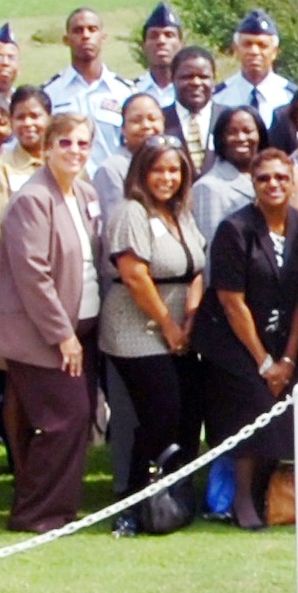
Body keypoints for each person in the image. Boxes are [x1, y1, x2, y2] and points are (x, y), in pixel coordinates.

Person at [196, 148, 298, 531]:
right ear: (253, 182)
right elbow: (232, 303)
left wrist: (289, 358)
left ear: (293, 180)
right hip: (235, 342)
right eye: (264, 178)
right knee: (253, 405)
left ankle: (276, 494)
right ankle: (242, 497)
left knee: (290, 406)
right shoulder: (235, 230)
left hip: (286, 339)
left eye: (282, 177)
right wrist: (264, 362)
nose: (273, 184)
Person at [0, 112, 103, 532]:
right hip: (42, 333)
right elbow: (32, 274)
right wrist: (63, 336)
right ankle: (34, 513)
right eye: (65, 143)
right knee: (64, 418)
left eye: (82, 144)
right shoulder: (31, 199)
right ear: (46, 148)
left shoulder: (85, 193)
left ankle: (60, 509)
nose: (74, 151)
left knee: (77, 419)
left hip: (85, 326)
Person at [101, 137, 205, 514]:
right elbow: (134, 275)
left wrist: (190, 318)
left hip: (179, 328)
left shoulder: (180, 212)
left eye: (174, 170)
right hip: (137, 329)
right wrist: (167, 324)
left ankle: (172, 498)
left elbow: (196, 267)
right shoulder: (131, 212)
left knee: (185, 412)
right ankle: (132, 503)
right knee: (160, 412)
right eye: (158, 169)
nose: (167, 178)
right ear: (141, 173)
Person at [43, 6, 137, 156]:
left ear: (103, 38)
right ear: (66, 40)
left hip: (114, 178)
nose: (85, 35)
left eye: (92, 29)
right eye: (78, 30)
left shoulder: (124, 92)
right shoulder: (50, 93)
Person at [194, 104, 267, 243]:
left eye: (248, 131)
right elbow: (213, 246)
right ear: (221, 138)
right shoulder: (208, 187)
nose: (241, 138)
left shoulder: (271, 178)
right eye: (232, 132)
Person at [217, 10, 294, 119]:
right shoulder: (218, 98)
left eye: (262, 45)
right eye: (247, 44)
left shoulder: (291, 98)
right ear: (236, 49)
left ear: (275, 52)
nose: (254, 51)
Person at [165, 46, 222, 180]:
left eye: (204, 77)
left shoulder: (228, 119)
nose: (196, 82)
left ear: (214, 80)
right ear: (172, 78)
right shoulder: (160, 120)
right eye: (187, 77)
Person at [138, 2, 187, 106]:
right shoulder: (131, 91)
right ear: (143, 45)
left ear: (182, 45)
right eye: (153, 35)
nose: (161, 41)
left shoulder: (191, 91)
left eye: (169, 35)